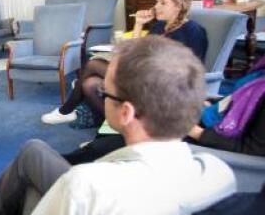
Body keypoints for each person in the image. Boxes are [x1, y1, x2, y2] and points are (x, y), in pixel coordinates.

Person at [0, 37, 235, 215]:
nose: (99, 96)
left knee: (31, 171)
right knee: (34, 180)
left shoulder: (85, 186)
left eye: (104, 92)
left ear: (126, 113)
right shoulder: (220, 174)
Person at [42, 0, 208, 125]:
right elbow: (136, 52)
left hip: (161, 85)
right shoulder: (159, 27)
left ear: (178, 6)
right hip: (143, 75)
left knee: (93, 64)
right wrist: (138, 24)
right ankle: (110, 131)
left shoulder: (193, 31)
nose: (156, 6)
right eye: (156, 2)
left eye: (163, 3)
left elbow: (191, 72)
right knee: (89, 84)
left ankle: (66, 110)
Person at [65, 54, 265, 164]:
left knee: (112, 145)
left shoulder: (192, 31)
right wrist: (209, 105)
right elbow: (238, 102)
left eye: (163, 2)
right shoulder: (260, 71)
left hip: (207, 140)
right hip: (207, 118)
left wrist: (193, 131)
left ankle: (69, 160)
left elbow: (252, 150)